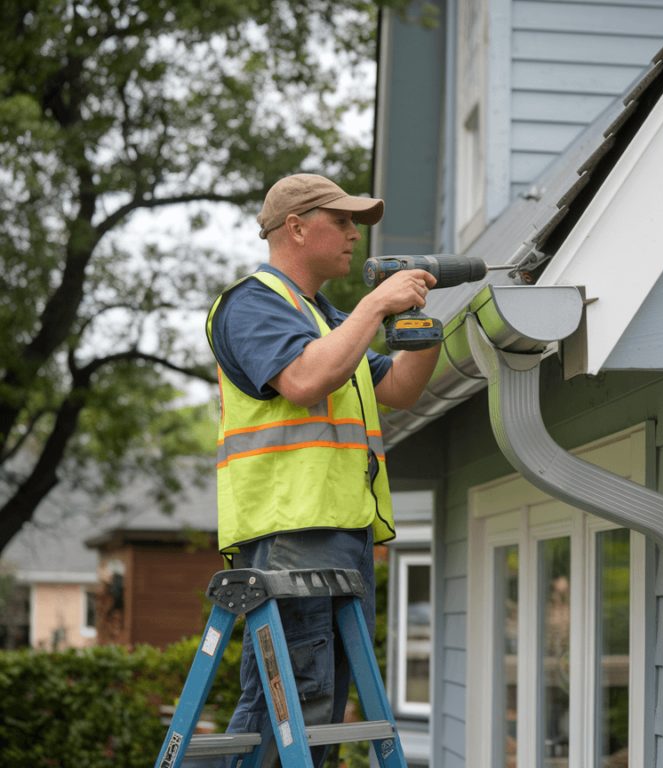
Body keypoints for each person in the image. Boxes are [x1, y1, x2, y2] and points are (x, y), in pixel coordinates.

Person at [205, 173, 440, 768]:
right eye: (342, 221)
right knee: (290, 700)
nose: (354, 236)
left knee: (322, 707)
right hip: (290, 532)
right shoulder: (253, 303)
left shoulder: (331, 320)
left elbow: (404, 388)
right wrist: (376, 305)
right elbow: (306, 379)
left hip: (340, 533)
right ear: (296, 227)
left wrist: (422, 327)